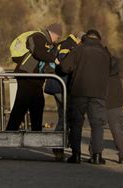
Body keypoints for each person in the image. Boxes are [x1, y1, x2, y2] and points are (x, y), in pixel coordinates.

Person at [61, 29, 110, 164]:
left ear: (85, 38)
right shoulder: (105, 52)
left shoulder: (79, 49)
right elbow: (112, 69)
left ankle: (75, 155)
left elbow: (64, 67)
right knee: (97, 125)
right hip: (99, 94)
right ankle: (97, 156)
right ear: (99, 39)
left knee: (76, 124)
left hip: (79, 91)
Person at [6, 23, 61, 131]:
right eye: (57, 36)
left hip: (35, 79)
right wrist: (53, 59)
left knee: (37, 105)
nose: (57, 39)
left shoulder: (49, 44)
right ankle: (10, 133)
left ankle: (35, 133)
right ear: (53, 33)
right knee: (21, 105)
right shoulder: (38, 37)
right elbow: (38, 52)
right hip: (26, 76)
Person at [44, 31, 84, 160]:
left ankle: (59, 147)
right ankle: (57, 146)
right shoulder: (69, 46)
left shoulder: (66, 44)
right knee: (66, 116)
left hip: (58, 85)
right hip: (61, 86)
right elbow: (64, 65)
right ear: (80, 40)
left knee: (63, 115)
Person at [105, 55, 123, 164]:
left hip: (100, 98)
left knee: (97, 128)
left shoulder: (98, 66)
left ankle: (95, 153)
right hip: (115, 100)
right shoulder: (115, 66)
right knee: (117, 129)